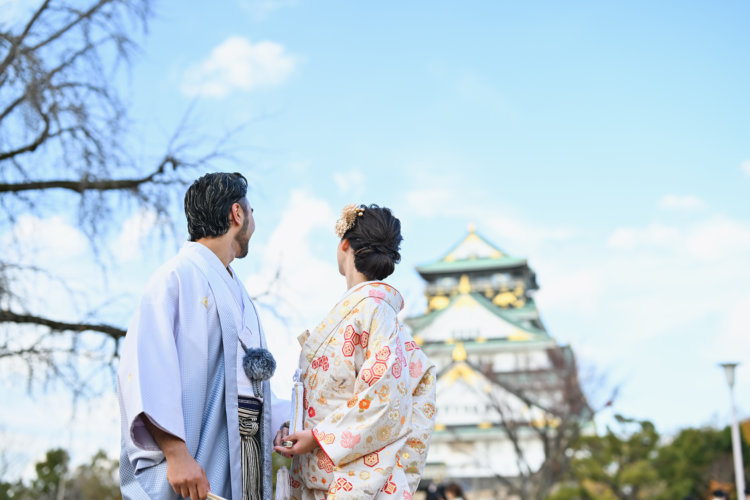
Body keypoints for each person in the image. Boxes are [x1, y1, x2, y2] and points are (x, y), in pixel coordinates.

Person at [118, 172, 287, 500]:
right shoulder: (175, 277)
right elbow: (145, 369)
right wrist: (176, 453)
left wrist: (282, 421)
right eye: (251, 211)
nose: (253, 221)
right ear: (237, 213)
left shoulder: (238, 292)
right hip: (191, 457)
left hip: (243, 457)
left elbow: (245, 383)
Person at [274, 203, 437, 499]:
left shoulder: (374, 311)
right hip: (324, 480)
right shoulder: (373, 315)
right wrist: (295, 427)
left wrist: (318, 437)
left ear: (345, 245)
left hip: (351, 484)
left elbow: (381, 400)